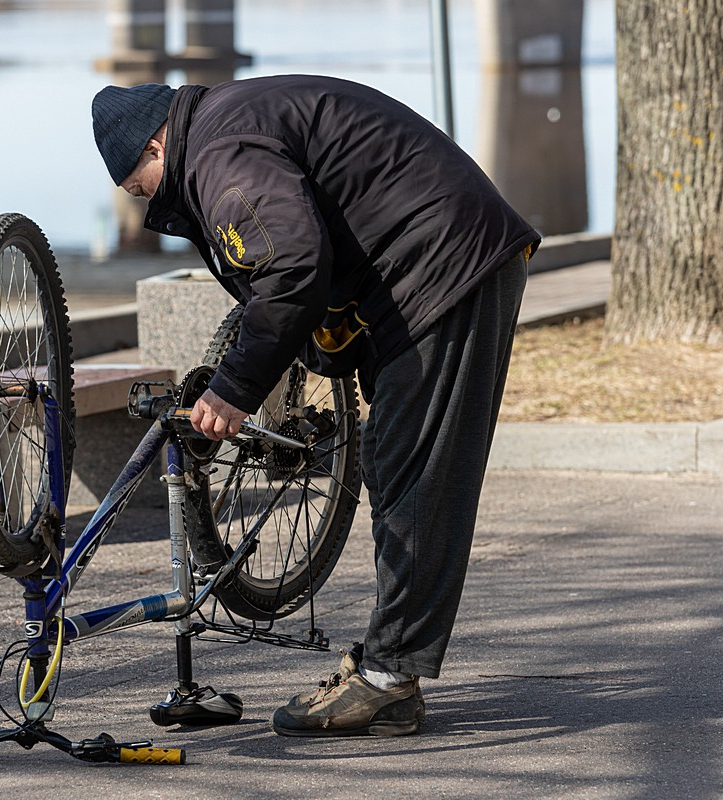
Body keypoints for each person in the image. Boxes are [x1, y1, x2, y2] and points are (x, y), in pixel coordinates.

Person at [91, 75, 539, 738]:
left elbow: (292, 268)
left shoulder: (218, 156)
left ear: (157, 146)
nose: (141, 203)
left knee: (418, 479)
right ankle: (391, 670)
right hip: (425, 262)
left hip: (444, 265)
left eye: (137, 186)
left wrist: (234, 390)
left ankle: (388, 683)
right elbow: (308, 247)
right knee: (394, 467)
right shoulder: (225, 127)